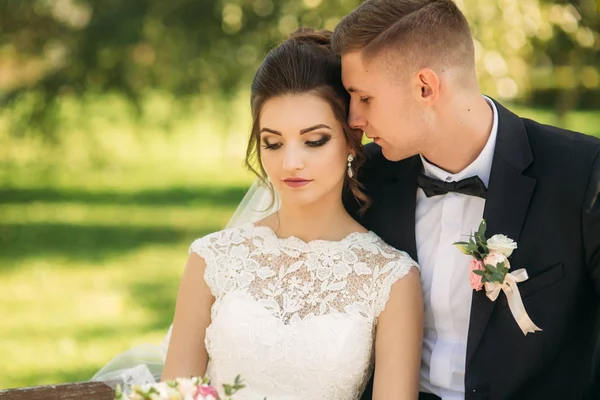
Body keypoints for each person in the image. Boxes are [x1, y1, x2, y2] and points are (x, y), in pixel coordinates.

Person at [330, 0, 600, 399]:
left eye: (364, 97)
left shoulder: (581, 174)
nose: (354, 119)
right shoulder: (363, 178)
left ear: (426, 87)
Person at [159, 28, 423, 399]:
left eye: (314, 141)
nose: (290, 162)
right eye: (273, 142)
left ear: (351, 140)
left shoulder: (391, 278)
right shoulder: (212, 259)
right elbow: (174, 393)